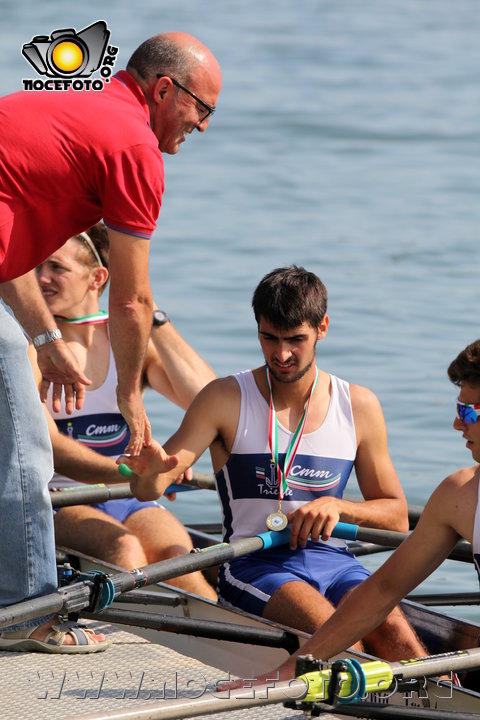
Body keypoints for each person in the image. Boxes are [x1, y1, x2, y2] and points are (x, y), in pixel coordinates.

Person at [0, 31, 221, 651]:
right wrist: (130, 396)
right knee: (25, 454)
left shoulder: (74, 110)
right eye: (202, 109)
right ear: (162, 90)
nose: (202, 127)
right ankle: (27, 612)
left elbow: (6, 250)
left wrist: (45, 336)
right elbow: (131, 298)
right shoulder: (133, 146)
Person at [118, 265, 426, 662]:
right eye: (270, 338)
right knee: (343, 646)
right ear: (258, 329)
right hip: (253, 562)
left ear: (323, 328)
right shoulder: (224, 399)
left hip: (335, 560)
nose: (281, 354)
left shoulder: (359, 406)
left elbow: (397, 516)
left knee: (402, 642)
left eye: (296, 340)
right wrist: (147, 473)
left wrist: (339, 506)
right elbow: (151, 490)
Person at [231, 337, 480, 682]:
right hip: (261, 563)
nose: (457, 424)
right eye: (458, 409)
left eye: (468, 412)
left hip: (328, 563)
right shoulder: (460, 495)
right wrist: (290, 669)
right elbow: (380, 592)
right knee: (389, 634)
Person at [28, 224, 216, 601]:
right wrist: (140, 471)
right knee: (127, 548)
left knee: (176, 557)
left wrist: (149, 310)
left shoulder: (125, 344)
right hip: (57, 498)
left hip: (126, 492)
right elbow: (52, 447)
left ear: (98, 278)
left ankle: (226, 639)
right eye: (37, 267)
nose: (40, 278)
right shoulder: (33, 348)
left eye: (56, 268)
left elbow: (210, 401)